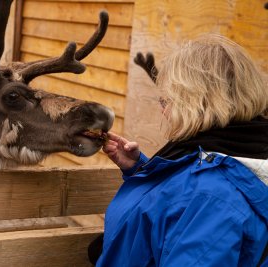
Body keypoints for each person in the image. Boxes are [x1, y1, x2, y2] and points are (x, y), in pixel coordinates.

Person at [92, 34, 268, 266]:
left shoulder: (211, 198)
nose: (164, 111)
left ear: (196, 103)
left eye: (168, 101)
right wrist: (139, 168)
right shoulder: (230, 151)